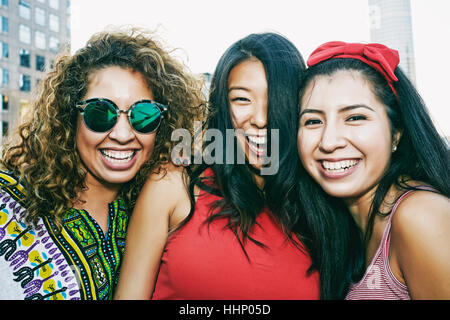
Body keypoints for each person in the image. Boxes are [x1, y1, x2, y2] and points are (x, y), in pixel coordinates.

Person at [115, 32, 335, 299]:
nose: (261, 119)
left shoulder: (321, 208)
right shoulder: (172, 185)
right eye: (242, 99)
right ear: (222, 106)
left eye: (276, 99)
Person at [0, 27, 204, 300]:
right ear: (68, 117)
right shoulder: (6, 200)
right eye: (100, 113)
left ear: (163, 127)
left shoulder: (162, 215)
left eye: (143, 115)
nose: (122, 135)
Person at [297, 41, 450, 299]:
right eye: (313, 121)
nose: (329, 141)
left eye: (355, 117)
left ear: (396, 133)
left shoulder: (421, 215)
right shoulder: (337, 231)